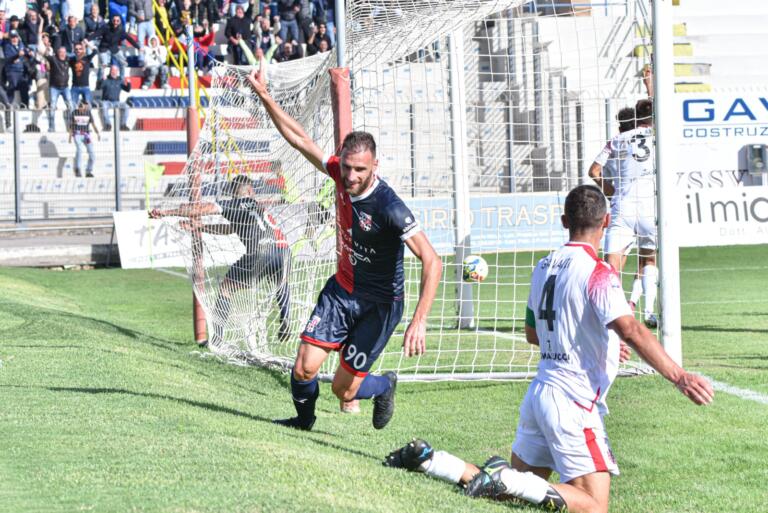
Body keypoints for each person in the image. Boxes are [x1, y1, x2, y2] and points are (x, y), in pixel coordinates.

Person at [384, 185, 714, 513]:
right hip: (574, 402)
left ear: (563, 221)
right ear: (607, 221)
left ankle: (432, 461)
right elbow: (631, 329)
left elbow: (532, 333)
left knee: (520, 493)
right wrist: (679, 376)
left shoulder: (544, 266)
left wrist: (596, 343)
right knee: (594, 506)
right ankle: (504, 476)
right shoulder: (599, 273)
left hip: (540, 394)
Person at [248, 63, 443, 432]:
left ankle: (384, 385)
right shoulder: (338, 171)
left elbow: (431, 261)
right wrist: (264, 96)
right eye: (348, 168)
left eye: (360, 171)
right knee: (304, 366)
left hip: (380, 304)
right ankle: (302, 424)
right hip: (342, 291)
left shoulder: (389, 207)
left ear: (375, 167)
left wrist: (419, 321)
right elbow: (299, 138)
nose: (350, 177)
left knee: (343, 389)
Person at [148, 174, 293, 346]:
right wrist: (201, 227)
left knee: (226, 289)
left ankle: (217, 340)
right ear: (251, 190)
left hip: (259, 252)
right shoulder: (259, 206)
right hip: (283, 250)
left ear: (234, 192)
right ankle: (286, 316)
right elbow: (229, 229)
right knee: (281, 282)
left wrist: (167, 212)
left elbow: (199, 209)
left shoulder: (233, 203)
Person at [588, 99, 658, 328]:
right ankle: (649, 312)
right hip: (650, 206)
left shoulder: (617, 140)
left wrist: (609, 188)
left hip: (622, 206)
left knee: (612, 265)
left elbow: (594, 170)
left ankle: (611, 316)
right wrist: (650, 85)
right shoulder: (657, 136)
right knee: (648, 259)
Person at [69, 100, 100, 177]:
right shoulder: (74, 113)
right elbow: (71, 125)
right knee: (79, 149)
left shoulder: (88, 113)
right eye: (80, 106)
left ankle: (88, 171)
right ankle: (78, 169)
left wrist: (97, 133)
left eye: (83, 106)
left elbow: (93, 124)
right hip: (77, 134)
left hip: (86, 135)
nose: (81, 108)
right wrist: (69, 136)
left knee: (92, 154)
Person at [46, 45, 72, 132]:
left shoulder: (68, 60)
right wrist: (47, 48)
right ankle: (51, 127)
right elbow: (46, 55)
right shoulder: (53, 59)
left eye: (64, 52)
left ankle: (72, 126)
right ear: (57, 53)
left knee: (70, 106)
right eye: (60, 52)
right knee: (52, 107)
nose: (62, 54)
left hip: (65, 87)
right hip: (54, 88)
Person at [3, 30, 32, 107]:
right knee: (11, 88)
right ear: (10, 38)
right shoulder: (7, 46)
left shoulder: (21, 45)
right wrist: (17, 55)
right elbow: (8, 59)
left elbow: (26, 53)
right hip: (12, 71)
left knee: (25, 90)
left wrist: (29, 54)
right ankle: (7, 107)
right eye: (12, 37)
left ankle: (25, 108)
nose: (14, 39)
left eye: (15, 37)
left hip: (21, 71)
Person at [99, 63, 130, 130]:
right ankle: (108, 125)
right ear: (110, 71)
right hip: (107, 101)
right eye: (112, 70)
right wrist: (102, 80)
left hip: (117, 102)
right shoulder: (106, 79)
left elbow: (127, 90)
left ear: (117, 71)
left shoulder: (120, 81)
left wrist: (128, 83)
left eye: (115, 70)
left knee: (126, 106)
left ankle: (123, 125)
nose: (113, 72)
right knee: (103, 106)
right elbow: (99, 87)